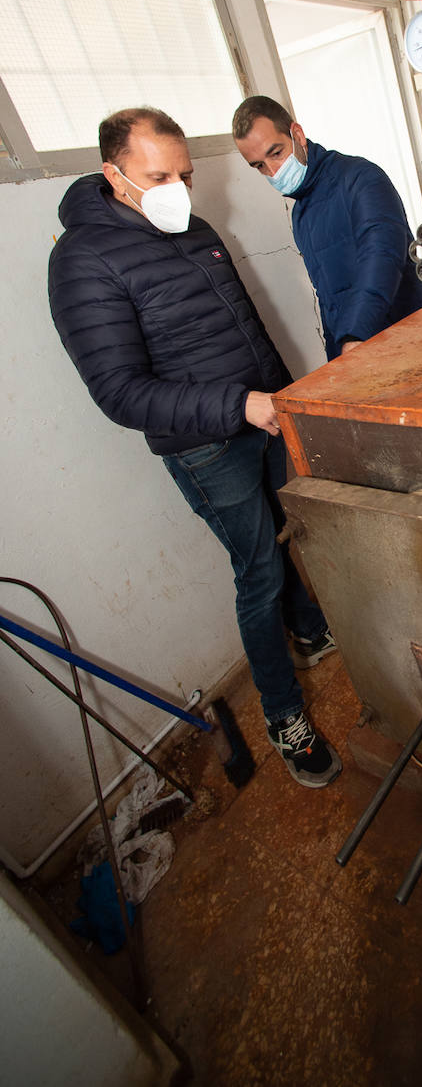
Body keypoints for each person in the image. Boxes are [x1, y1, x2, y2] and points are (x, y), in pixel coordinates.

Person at [48, 107, 340, 789]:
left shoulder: (192, 227)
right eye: (159, 176)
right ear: (113, 175)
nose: (177, 188)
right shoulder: (83, 261)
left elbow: (243, 329)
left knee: (290, 530)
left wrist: (280, 397)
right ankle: (284, 717)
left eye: (184, 173)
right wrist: (239, 405)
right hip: (208, 446)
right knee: (258, 572)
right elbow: (120, 392)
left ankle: (310, 629)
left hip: (264, 417)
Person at [231, 96, 422, 360]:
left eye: (276, 153)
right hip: (359, 355)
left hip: (410, 342)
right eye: (259, 166)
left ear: (298, 134)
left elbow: (381, 256)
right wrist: (335, 358)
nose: (273, 171)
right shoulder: (301, 214)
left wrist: (354, 335)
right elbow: (329, 301)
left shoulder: (361, 179)